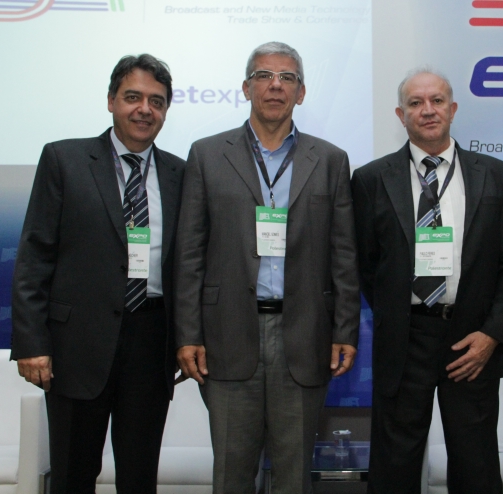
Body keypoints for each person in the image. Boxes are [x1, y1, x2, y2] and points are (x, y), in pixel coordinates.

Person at [173, 41, 360, 494]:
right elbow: (190, 253)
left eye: (287, 78)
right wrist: (188, 333)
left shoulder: (330, 160)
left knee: (294, 477)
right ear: (246, 88)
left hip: (305, 335)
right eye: (264, 76)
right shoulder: (206, 154)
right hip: (227, 334)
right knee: (231, 475)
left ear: (301, 92)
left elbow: (344, 255)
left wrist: (344, 330)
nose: (275, 85)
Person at [11, 54, 185, 493]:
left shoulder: (180, 173)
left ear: (166, 110)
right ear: (111, 101)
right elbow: (34, 257)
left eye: (156, 101)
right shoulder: (64, 159)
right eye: (133, 97)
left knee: (139, 478)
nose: (144, 109)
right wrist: (32, 343)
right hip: (76, 345)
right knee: (73, 475)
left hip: (151, 343)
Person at [351, 68, 503, 493]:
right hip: (404, 338)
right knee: (395, 466)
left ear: (453, 108)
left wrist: (492, 334)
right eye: (415, 103)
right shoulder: (371, 179)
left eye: (436, 101)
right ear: (401, 114)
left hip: (472, 338)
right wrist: (396, 311)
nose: (427, 110)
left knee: (475, 464)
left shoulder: (496, 174)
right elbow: (367, 264)